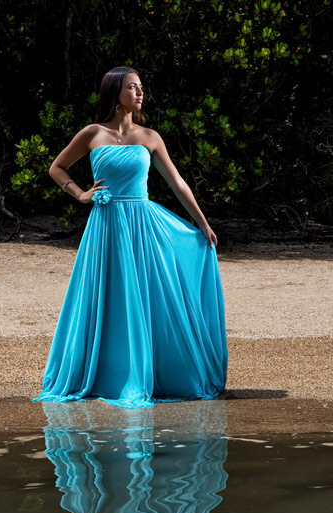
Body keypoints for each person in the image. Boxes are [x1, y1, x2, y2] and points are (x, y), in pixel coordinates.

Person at [35, 66, 227, 408]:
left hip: (142, 226)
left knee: (146, 297)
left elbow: (177, 183)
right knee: (106, 298)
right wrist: (80, 194)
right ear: (115, 92)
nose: (140, 93)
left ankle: (151, 372)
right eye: (132, 87)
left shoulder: (150, 137)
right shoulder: (92, 133)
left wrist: (202, 222)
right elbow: (56, 167)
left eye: (140, 87)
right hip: (105, 227)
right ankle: (107, 374)